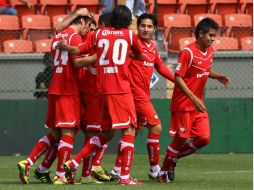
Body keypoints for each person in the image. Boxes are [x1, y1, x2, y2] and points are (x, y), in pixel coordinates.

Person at [59, 5, 144, 185]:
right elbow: (140, 55)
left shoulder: (99, 34)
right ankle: (124, 177)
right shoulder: (130, 36)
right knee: (130, 130)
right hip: (120, 89)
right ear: (129, 21)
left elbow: (78, 50)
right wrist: (129, 54)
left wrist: (65, 46)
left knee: (106, 133)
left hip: (102, 90)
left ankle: (74, 162)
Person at [17, 10, 93, 185]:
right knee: (69, 132)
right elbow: (76, 63)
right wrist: (100, 56)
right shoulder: (74, 38)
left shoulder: (58, 36)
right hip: (68, 89)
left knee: (56, 132)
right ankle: (61, 175)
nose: (87, 30)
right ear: (81, 21)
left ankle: (28, 162)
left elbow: (60, 28)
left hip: (55, 88)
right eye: (87, 25)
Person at [157, 17, 230, 183]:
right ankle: (162, 171)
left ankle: (173, 159)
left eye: (214, 36)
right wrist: (192, 97)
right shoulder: (187, 52)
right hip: (184, 103)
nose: (213, 39)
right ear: (200, 34)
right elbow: (178, 77)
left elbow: (205, 69)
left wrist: (217, 76)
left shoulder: (210, 52)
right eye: (210, 35)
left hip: (197, 104)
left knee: (204, 138)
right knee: (180, 139)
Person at [109, 13, 174, 181]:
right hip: (133, 93)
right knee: (156, 127)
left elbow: (160, 67)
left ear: (154, 29)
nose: (146, 29)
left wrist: (178, 80)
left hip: (143, 94)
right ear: (137, 27)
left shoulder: (152, 47)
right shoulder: (131, 43)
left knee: (133, 132)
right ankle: (154, 169)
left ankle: (117, 169)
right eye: (142, 26)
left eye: (149, 26)